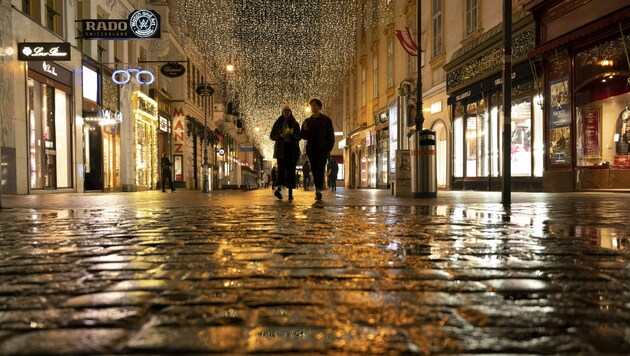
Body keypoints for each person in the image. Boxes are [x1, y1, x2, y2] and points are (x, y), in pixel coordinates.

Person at [301, 98, 335, 200]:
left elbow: (331, 136)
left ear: (319, 107)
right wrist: (305, 130)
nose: (313, 107)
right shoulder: (307, 121)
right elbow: (303, 136)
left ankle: (318, 190)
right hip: (312, 150)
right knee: (315, 170)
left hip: (322, 149)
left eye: (315, 105)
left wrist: (328, 148)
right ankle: (318, 188)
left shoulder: (326, 120)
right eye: (312, 105)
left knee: (320, 169)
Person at [270, 104, 301, 200]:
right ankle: (278, 189)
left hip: (292, 149)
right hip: (281, 149)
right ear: (282, 112)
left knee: (291, 170)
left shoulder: (295, 123)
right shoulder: (278, 123)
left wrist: (292, 134)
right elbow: (272, 136)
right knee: (281, 170)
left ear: (290, 112)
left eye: (288, 111)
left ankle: (290, 193)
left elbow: (299, 137)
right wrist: (280, 136)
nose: (286, 113)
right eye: (285, 111)